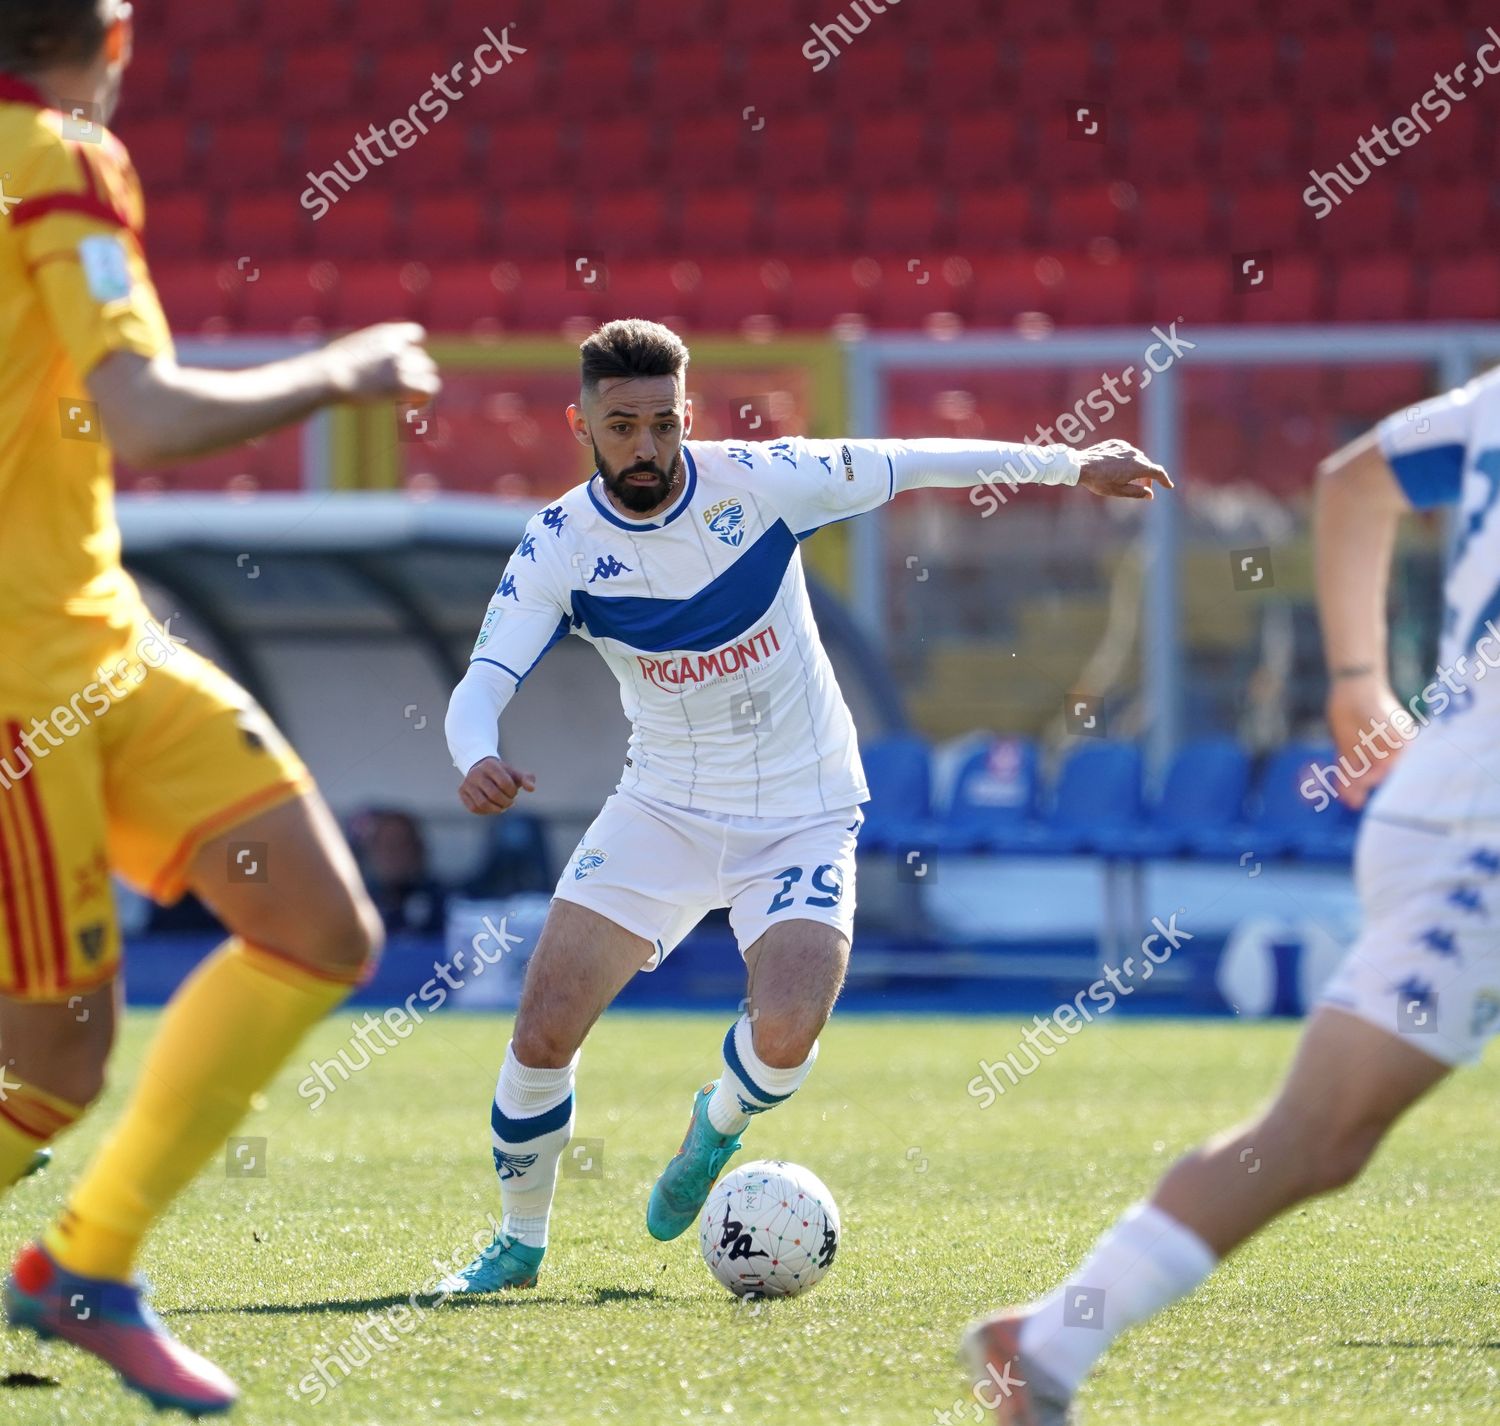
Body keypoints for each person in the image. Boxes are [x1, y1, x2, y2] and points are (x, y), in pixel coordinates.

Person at [440, 317, 1171, 1292]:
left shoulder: (763, 481)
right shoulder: (562, 544)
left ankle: (716, 1129)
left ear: (686, 415)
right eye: (622, 426)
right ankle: (518, 1243)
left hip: (802, 807)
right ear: (581, 424)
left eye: (663, 423)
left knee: (787, 1029)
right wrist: (476, 751)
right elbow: (481, 681)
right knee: (541, 1031)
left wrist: (1072, 463)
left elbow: (911, 462)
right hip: (660, 805)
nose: (647, 447)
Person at [0, 1, 438, 1412]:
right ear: (112, 40)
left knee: (318, 922)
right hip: (12, 682)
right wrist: (346, 370)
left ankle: (81, 1269)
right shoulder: (57, 157)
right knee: (55, 1064)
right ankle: (86, 1264)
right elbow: (146, 416)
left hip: (98, 637)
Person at [961, 367, 1500, 1424]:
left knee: (1318, 1138)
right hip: (1478, 839)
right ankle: (1053, 1337)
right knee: (1317, 1134)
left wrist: (1356, 680)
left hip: (1451, 803)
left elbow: (1351, 481)